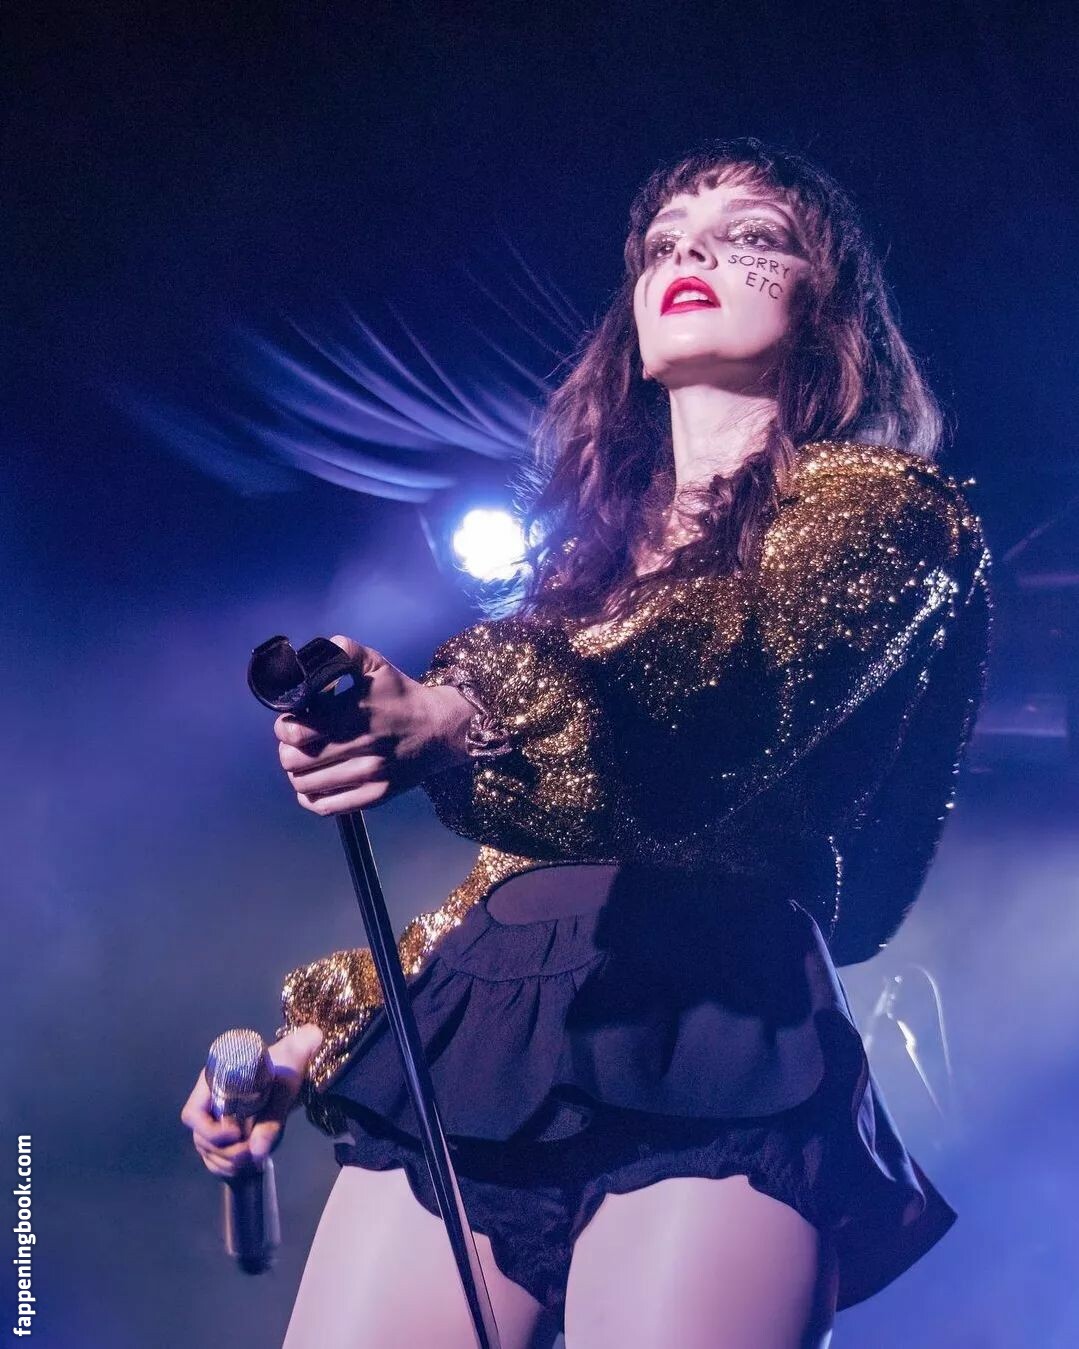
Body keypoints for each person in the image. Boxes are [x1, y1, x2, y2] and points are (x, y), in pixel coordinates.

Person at [182, 136, 991, 1348]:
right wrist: (307, 1041)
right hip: (487, 1034)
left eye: (750, 235)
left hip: (718, 1022)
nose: (692, 252)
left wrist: (457, 714)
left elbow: (716, 691)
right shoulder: (577, 572)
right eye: (664, 242)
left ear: (826, 304)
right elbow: (512, 884)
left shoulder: (887, 512)